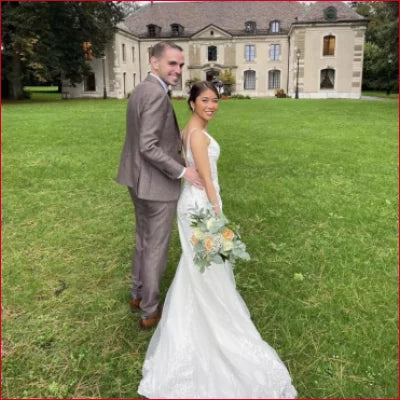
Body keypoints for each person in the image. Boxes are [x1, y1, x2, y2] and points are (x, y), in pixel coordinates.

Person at [137, 81, 297, 398]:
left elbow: (194, 169)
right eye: (205, 100)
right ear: (192, 102)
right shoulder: (196, 135)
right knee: (207, 268)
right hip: (201, 207)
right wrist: (217, 213)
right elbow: (208, 180)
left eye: (216, 100)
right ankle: (212, 326)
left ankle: (201, 317)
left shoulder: (188, 130)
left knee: (202, 268)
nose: (212, 105)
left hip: (193, 203)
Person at [116, 42, 203, 329]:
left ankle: (137, 294)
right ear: (154, 63)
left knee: (143, 239)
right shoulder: (155, 94)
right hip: (155, 185)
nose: (178, 70)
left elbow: (148, 138)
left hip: (136, 179)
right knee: (155, 247)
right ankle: (150, 310)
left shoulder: (142, 89)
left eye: (180, 65)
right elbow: (148, 146)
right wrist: (182, 171)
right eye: (172, 64)